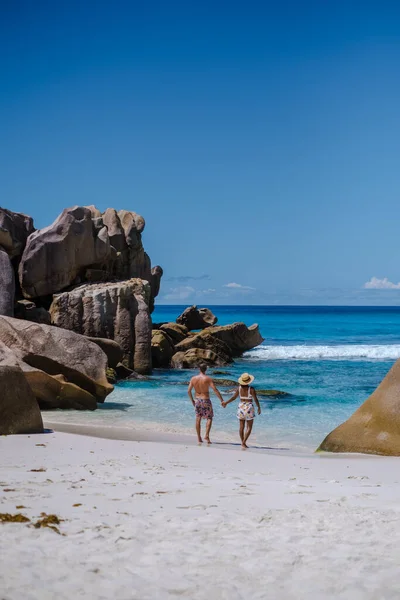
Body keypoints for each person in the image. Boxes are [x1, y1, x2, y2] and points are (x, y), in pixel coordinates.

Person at [222, 372, 261, 448]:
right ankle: (243, 442)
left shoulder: (238, 388)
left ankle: (242, 442)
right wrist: (259, 407)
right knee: (249, 427)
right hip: (249, 407)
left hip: (241, 407)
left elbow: (233, 398)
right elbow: (255, 399)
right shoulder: (251, 389)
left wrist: (226, 402)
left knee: (241, 426)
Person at [188, 363, 224, 444]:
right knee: (209, 418)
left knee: (198, 418)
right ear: (206, 369)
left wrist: (192, 401)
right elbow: (215, 390)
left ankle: (199, 438)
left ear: (199, 369)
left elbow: (188, 391)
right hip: (205, 400)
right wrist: (221, 400)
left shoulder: (193, 378)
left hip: (197, 400)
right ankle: (207, 435)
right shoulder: (208, 379)